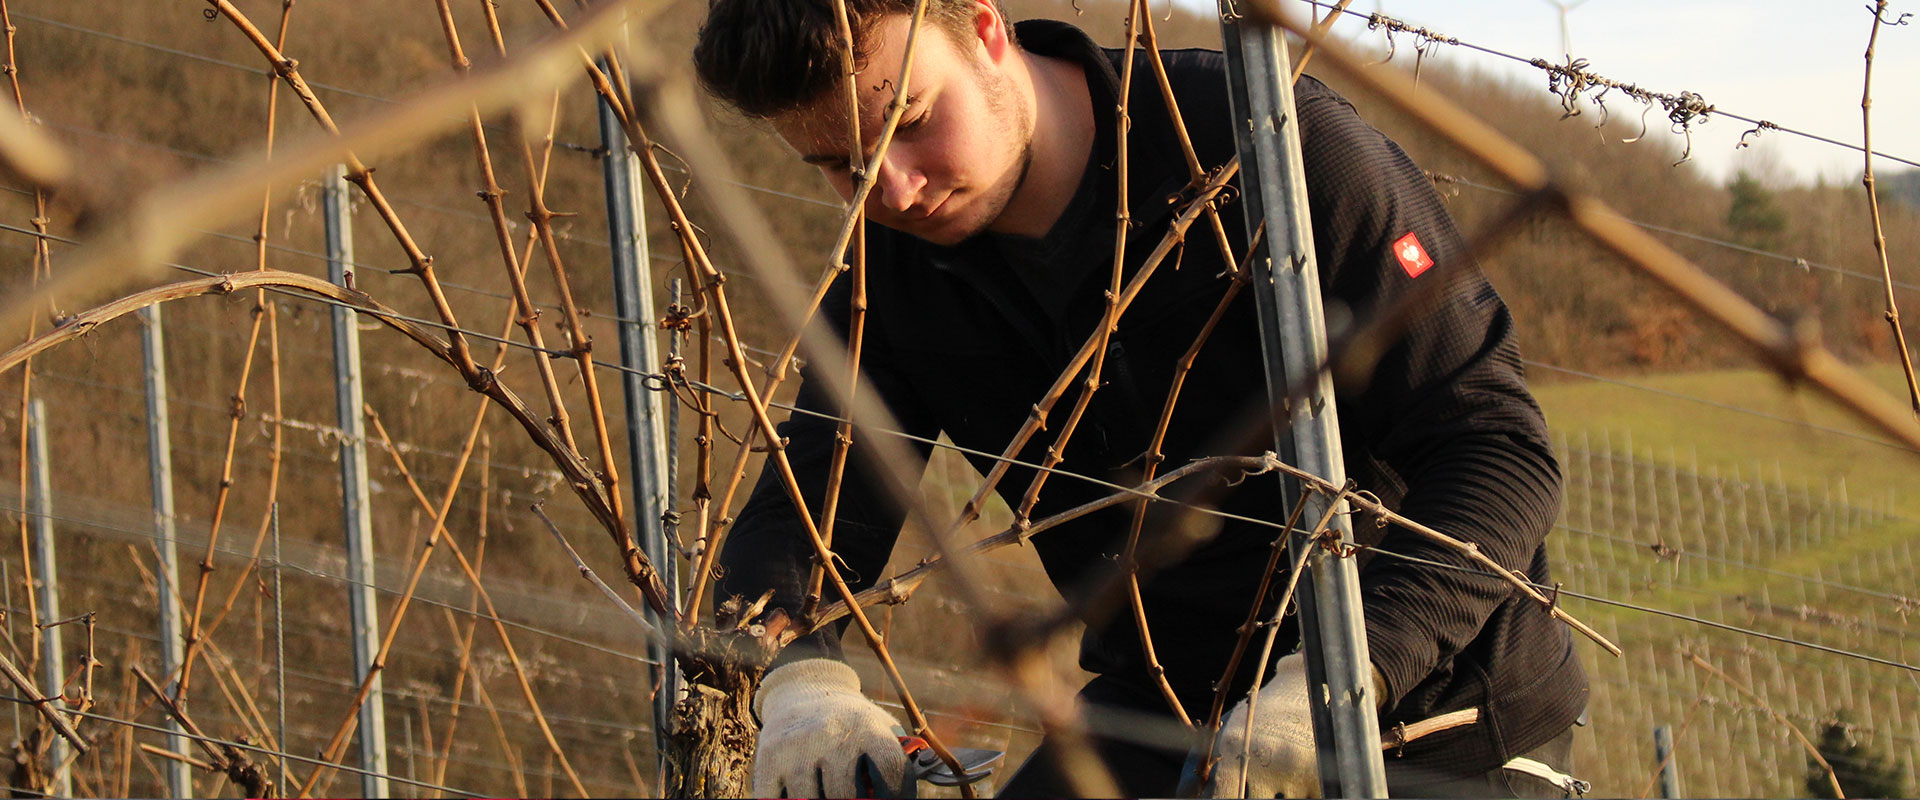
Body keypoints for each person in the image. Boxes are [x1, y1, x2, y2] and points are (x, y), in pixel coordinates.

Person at [691, 0, 1590, 796]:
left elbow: (1496, 446)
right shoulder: (891, 274)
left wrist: (1341, 677)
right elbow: (806, 515)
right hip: (1157, 715)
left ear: (988, 32)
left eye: (910, 123)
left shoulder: (1270, 146)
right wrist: (800, 683)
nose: (894, 190)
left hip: (1436, 710)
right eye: (838, 167)